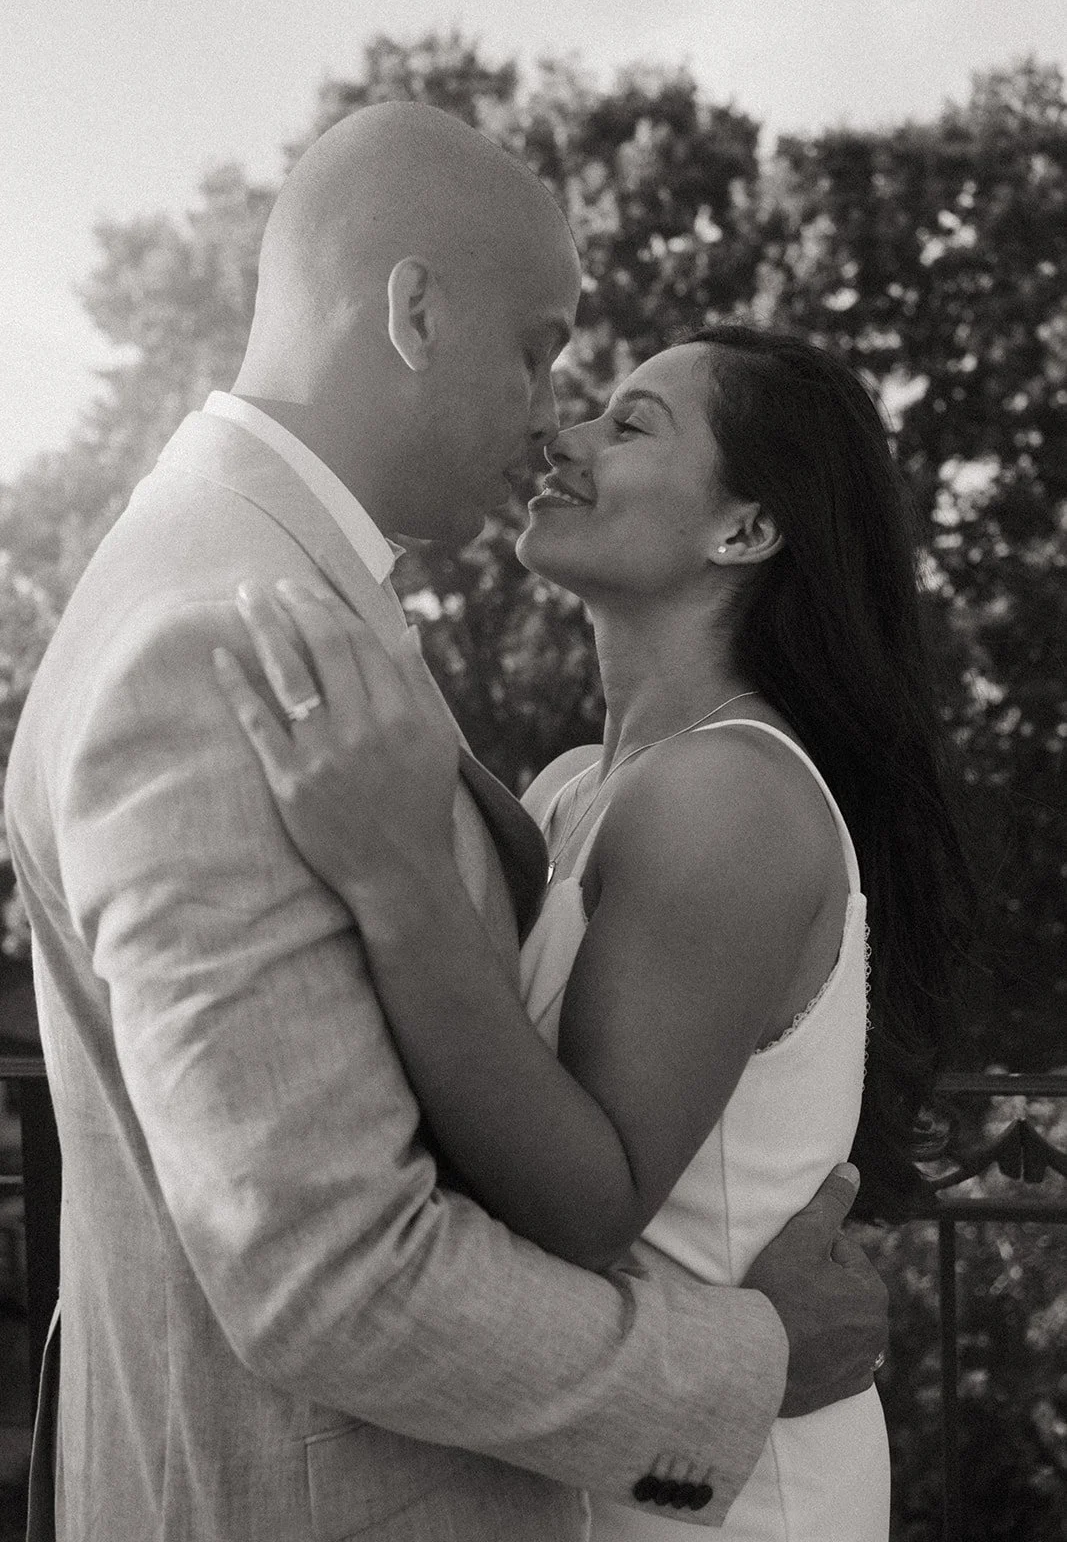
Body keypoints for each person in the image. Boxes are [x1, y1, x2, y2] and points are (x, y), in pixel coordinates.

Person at [5, 104, 887, 1542]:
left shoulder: (282, 598)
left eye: (606, 398)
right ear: (413, 310)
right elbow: (323, 1273)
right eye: (541, 350)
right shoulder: (220, 634)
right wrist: (747, 1358)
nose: (555, 411)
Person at [218, 324, 973, 1540]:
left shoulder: (727, 798)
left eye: (628, 424)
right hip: (613, 1449)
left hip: (732, 1495)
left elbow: (587, 1203)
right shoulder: (573, 785)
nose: (560, 434)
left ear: (744, 530)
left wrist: (396, 874)